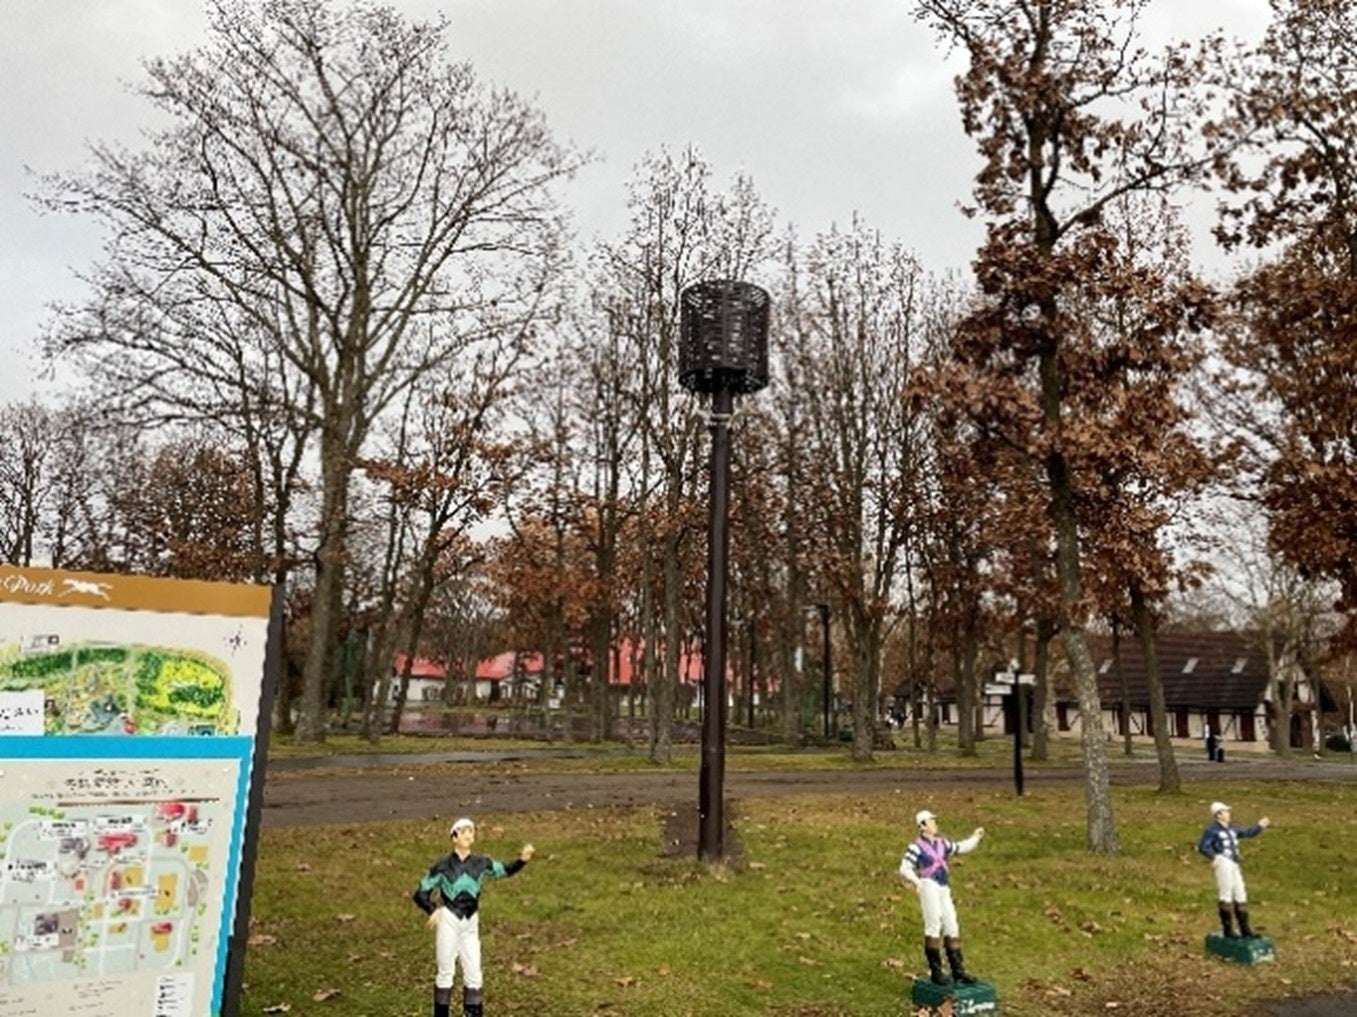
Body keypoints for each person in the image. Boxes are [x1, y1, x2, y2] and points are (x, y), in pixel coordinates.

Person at [413, 817, 534, 1017]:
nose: (468, 835)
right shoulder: (442, 867)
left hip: (470, 921)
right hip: (450, 919)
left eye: (471, 831)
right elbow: (420, 892)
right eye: (463, 831)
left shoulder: (481, 863)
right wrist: (432, 910)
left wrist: (522, 860)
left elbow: (503, 870)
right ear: (454, 837)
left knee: (474, 972)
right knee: (445, 971)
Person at [899, 809, 985, 987]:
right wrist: (917, 882)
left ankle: (958, 970)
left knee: (951, 924)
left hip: (943, 887)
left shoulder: (942, 843)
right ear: (922, 826)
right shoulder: (916, 847)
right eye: (931, 821)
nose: (934, 824)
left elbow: (960, 847)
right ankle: (936, 972)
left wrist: (975, 837)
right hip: (929, 885)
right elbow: (905, 867)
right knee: (933, 926)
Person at [1197, 801, 1270, 939]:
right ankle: (1228, 929)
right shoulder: (1212, 830)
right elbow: (1203, 847)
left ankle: (1245, 929)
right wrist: (1215, 857)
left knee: (1240, 892)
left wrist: (1259, 826)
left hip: (1234, 863)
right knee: (1226, 893)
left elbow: (1247, 833)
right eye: (1225, 811)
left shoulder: (1232, 828)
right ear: (1218, 815)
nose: (1228, 814)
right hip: (1223, 862)